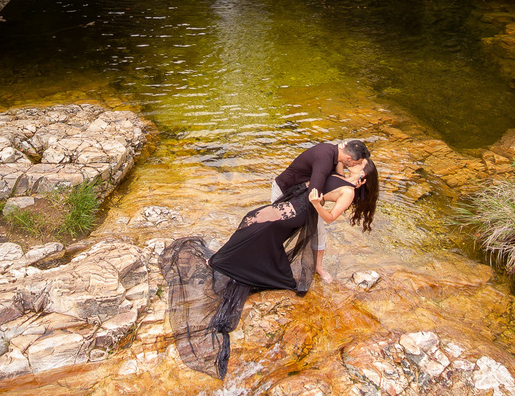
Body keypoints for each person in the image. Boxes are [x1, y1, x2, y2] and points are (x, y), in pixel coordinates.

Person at [159, 161, 378, 379]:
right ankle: (231, 260)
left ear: (363, 177)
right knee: (252, 222)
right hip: (295, 201)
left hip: (300, 208)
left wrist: (317, 202)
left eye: (362, 165)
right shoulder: (343, 175)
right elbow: (336, 161)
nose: (358, 163)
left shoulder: (349, 192)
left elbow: (329, 218)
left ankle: (222, 261)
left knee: (254, 225)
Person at [273, 139, 369, 279]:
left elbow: (337, 178)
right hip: (284, 191)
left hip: (303, 195)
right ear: (349, 158)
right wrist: (349, 184)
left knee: (319, 232)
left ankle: (318, 267)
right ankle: (274, 260)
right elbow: (315, 191)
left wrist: (352, 182)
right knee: (278, 228)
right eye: (358, 162)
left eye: (360, 164)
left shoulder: (337, 156)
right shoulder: (325, 159)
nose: (357, 164)